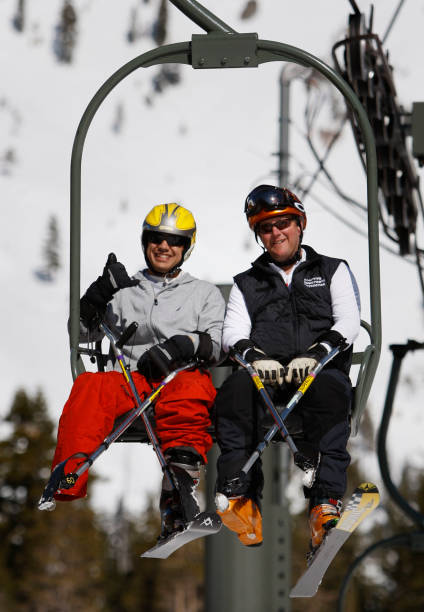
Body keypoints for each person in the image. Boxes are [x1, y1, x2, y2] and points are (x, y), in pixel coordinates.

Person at [50, 203, 225, 539]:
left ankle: (179, 492)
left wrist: (181, 347)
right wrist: (98, 295)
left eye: (174, 241)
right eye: (156, 238)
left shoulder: (203, 294)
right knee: (91, 385)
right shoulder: (122, 289)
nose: (164, 247)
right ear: (145, 241)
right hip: (132, 382)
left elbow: (217, 344)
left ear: (187, 247)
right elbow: (80, 334)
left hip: (179, 378)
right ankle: (67, 473)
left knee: (190, 390)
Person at [214, 185, 360, 557]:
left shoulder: (331, 270)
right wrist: (253, 357)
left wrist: (316, 354)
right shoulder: (247, 283)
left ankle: (323, 503)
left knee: (331, 393)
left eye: (283, 224)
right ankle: (241, 497)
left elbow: (348, 321)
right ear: (258, 236)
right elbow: (232, 331)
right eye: (266, 228)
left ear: (300, 224)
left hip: (316, 375)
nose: (276, 233)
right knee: (232, 395)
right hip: (268, 382)